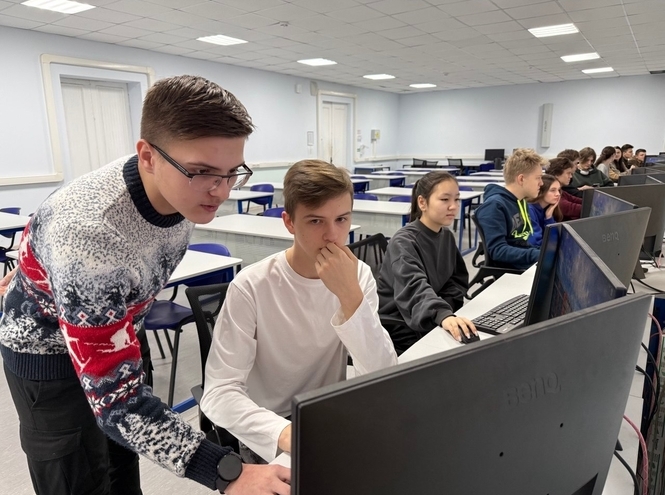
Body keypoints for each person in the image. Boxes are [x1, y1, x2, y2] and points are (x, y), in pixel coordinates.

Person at [0, 75, 290, 495]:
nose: (221, 191)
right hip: (49, 358)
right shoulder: (90, 235)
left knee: (121, 467)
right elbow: (117, 401)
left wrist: (43, 268)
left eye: (232, 173)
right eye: (203, 172)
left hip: (118, 330)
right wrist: (228, 472)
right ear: (148, 157)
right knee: (80, 478)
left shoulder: (181, 185)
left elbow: (53, 226)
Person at [200, 159, 398, 464]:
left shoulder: (358, 276)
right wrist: (284, 433)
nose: (332, 235)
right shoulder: (251, 287)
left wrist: (350, 296)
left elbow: (382, 374)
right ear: (289, 222)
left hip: (329, 414)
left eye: (342, 219)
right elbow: (218, 392)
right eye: (316, 221)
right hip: (269, 427)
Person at [376, 172, 474, 353]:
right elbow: (413, 287)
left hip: (429, 312)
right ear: (422, 203)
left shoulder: (446, 235)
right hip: (403, 323)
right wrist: (441, 313)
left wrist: (446, 307)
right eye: (444, 199)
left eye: (457, 199)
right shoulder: (404, 242)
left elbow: (455, 279)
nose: (453, 206)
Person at [474, 148, 543, 271]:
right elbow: (497, 250)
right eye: (538, 178)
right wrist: (539, 255)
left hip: (522, 264)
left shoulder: (521, 201)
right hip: (511, 270)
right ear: (521, 179)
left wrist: (545, 251)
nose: (541, 183)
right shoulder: (494, 206)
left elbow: (520, 243)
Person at [527, 174, 562, 248]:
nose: (558, 194)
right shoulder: (530, 210)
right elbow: (536, 244)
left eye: (558, 190)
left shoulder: (547, 209)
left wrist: (549, 217)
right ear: (541, 191)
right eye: (553, 190)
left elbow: (555, 238)